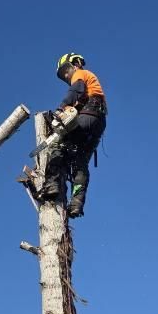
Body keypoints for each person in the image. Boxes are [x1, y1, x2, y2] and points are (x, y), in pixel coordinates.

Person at [52, 52, 107, 218]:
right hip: (98, 123)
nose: (67, 76)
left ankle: (51, 184)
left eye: (66, 71)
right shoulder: (91, 87)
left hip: (88, 115)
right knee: (80, 163)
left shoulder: (81, 74)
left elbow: (76, 89)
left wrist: (62, 107)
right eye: (63, 75)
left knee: (57, 144)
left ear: (75, 64)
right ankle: (76, 203)